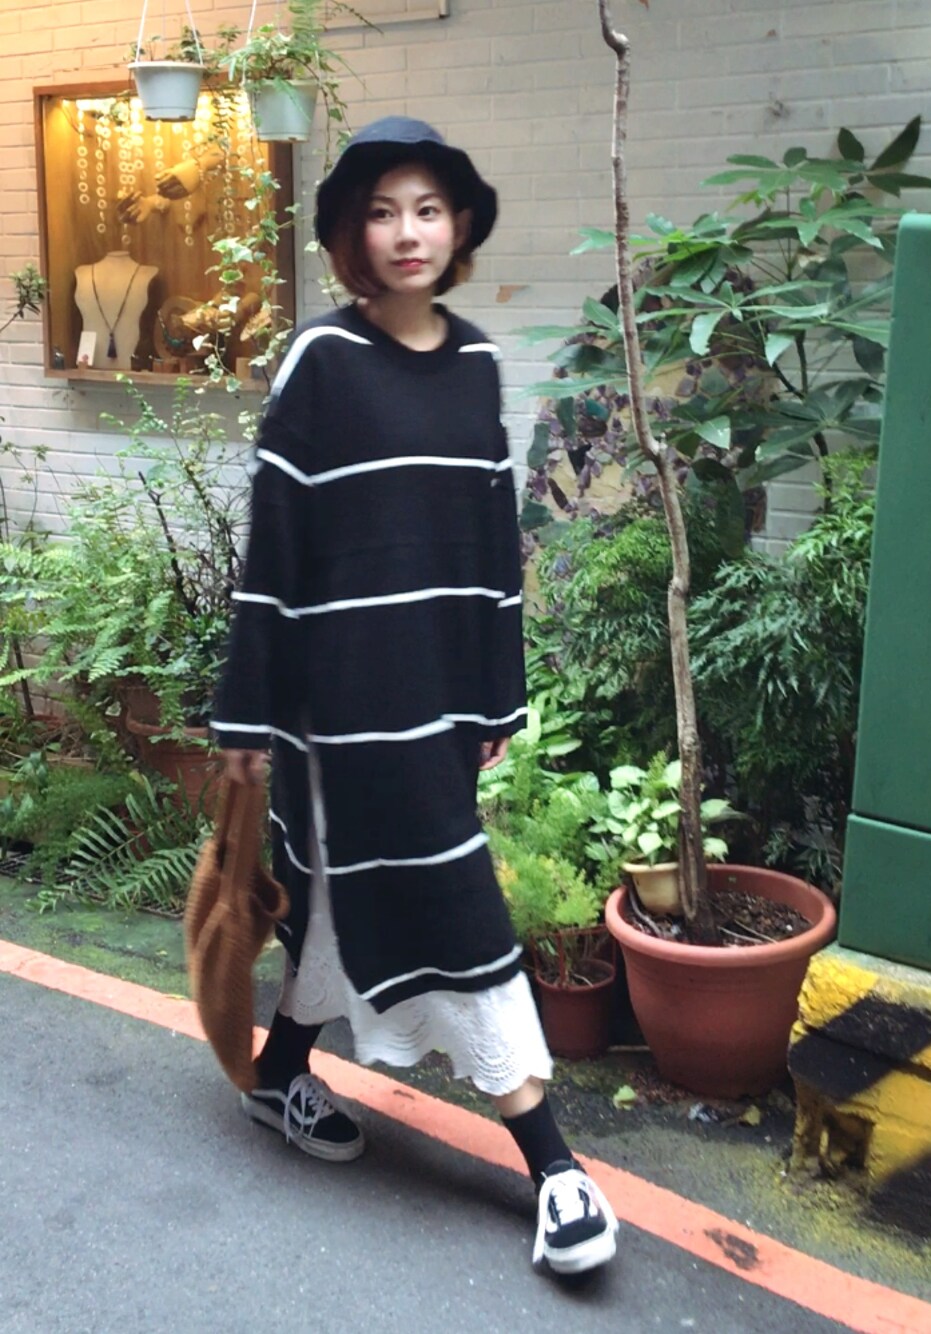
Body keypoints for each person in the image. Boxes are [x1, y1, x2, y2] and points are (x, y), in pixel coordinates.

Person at [211, 116, 618, 1277]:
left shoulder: (477, 365)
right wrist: (244, 715)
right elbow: (273, 549)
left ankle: (278, 1071)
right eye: (383, 211)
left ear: (458, 227)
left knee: (346, 898)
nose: (407, 232)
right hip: (336, 710)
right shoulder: (319, 362)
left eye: (428, 209)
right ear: (352, 232)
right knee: (455, 907)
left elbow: (492, 553)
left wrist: (496, 700)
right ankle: (553, 1164)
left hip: (436, 704)